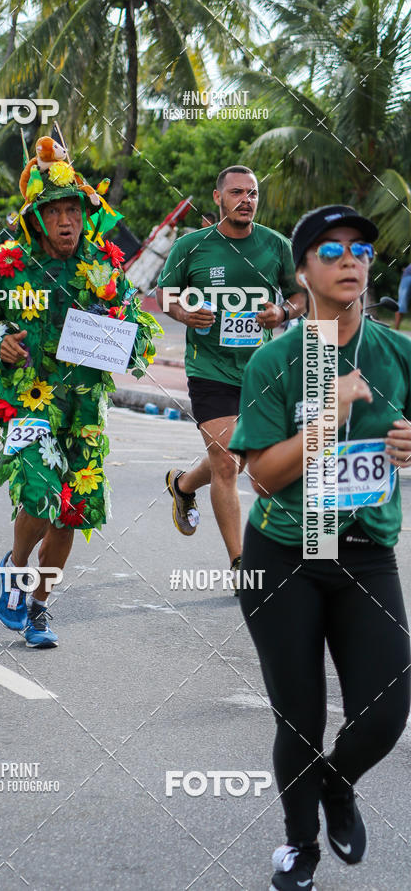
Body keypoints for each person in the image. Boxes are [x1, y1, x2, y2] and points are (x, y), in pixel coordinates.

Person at [229, 205, 411, 891]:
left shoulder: (397, 353)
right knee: (299, 714)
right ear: (302, 271)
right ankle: (298, 844)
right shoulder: (277, 360)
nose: (349, 259)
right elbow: (265, 475)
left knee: (389, 706)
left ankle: (337, 785)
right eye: (330, 249)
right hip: (284, 554)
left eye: (359, 248)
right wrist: (328, 417)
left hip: (365, 552)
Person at [0, 134, 161, 648]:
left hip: (84, 405)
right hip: (24, 400)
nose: (67, 220)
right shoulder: (6, 264)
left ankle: (40, 607)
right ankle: (17, 571)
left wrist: (119, 337)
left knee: (75, 508)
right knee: (41, 494)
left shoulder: (104, 266)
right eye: (55, 211)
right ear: (35, 217)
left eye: (73, 209)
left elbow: (142, 337)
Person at [156, 165, 306, 583]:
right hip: (209, 369)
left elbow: (299, 295)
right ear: (218, 198)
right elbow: (163, 292)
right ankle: (240, 563)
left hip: (259, 372)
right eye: (238, 192)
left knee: (241, 460)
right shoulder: (192, 245)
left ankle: (183, 485)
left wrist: (282, 311)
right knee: (226, 462)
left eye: (253, 193)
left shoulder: (276, 245)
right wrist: (184, 313)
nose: (247, 200)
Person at [394, 262, 411, 330]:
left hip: (407, 276)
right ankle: (396, 330)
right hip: (408, 276)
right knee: (401, 305)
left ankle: (396, 330)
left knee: (401, 304)